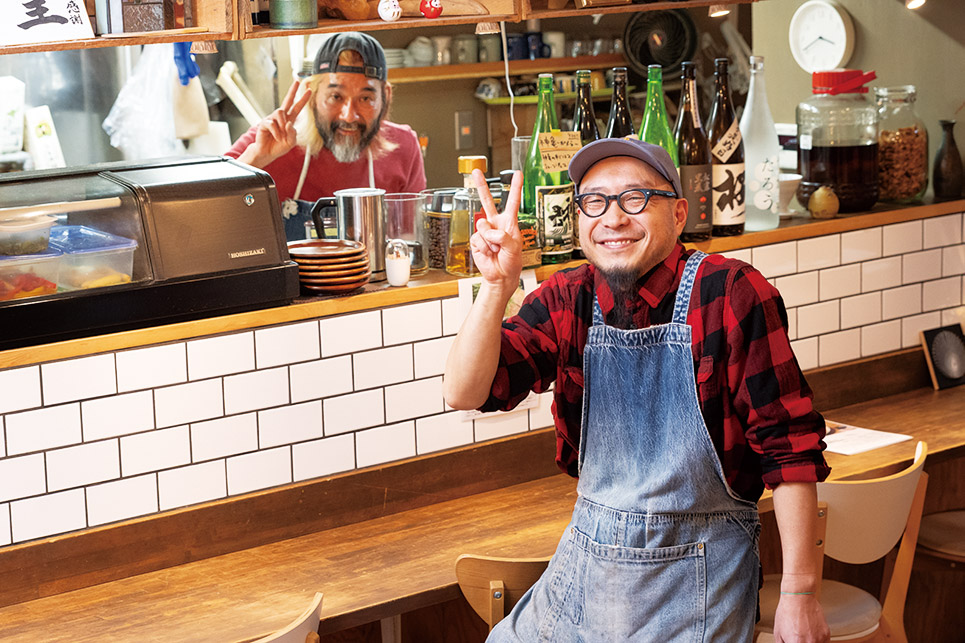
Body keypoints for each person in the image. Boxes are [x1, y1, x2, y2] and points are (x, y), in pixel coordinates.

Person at [443, 139, 832, 642]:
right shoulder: (568, 298)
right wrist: (496, 286)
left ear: (679, 212)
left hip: (697, 585)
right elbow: (466, 392)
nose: (613, 218)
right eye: (595, 201)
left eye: (635, 198)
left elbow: (790, 449)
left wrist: (801, 593)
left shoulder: (732, 294)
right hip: (585, 579)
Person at [225, 32, 426, 241]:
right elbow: (209, 209)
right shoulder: (271, 138)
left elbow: (410, 241)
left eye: (366, 98)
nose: (349, 115)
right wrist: (256, 159)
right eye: (335, 97)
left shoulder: (405, 146)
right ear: (311, 94)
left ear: (386, 96)